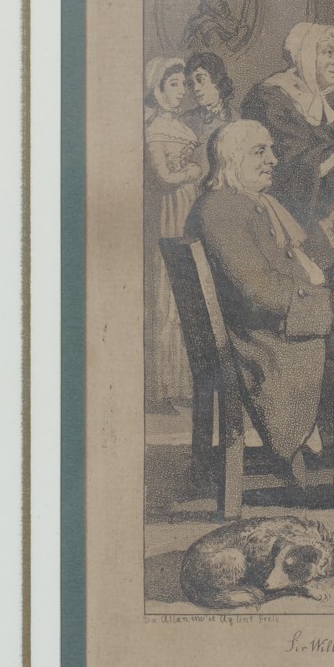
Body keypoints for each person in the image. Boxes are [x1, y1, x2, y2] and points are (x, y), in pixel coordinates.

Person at [184, 121, 334, 496]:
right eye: (260, 152)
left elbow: (291, 263)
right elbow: (258, 288)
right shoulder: (223, 209)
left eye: (271, 150)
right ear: (230, 158)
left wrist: (332, 221)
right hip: (265, 343)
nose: (273, 160)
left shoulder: (243, 202)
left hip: (274, 329)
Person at [240, 22, 334, 294]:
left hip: (332, 226)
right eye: (328, 52)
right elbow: (289, 169)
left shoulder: (329, 106)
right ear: (306, 54)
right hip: (290, 226)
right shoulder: (270, 99)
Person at [144, 56, 201, 409]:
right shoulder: (154, 129)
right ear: (158, 89)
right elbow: (164, 177)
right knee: (168, 290)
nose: (182, 91)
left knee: (190, 288)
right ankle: (164, 387)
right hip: (171, 210)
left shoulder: (179, 126)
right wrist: (191, 172)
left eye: (184, 84)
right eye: (174, 84)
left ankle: (185, 385)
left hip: (188, 206)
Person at [183, 50, 236, 138]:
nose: (195, 88)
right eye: (190, 83)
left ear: (217, 78)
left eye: (200, 79)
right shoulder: (186, 121)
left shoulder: (238, 116)